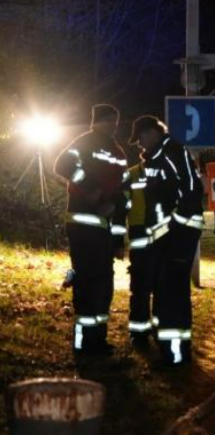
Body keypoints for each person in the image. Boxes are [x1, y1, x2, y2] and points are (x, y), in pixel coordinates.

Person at [54, 104, 128, 354]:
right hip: (83, 227)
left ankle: (98, 341)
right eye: (107, 121)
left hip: (104, 232)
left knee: (103, 285)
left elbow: (121, 199)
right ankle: (82, 344)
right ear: (95, 122)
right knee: (86, 284)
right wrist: (92, 191)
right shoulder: (84, 143)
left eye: (114, 121)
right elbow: (62, 165)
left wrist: (118, 241)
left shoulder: (118, 152)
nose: (112, 126)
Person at [129, 115, 204, 366]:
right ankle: (168, 350)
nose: (140, 145)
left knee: (172, 294)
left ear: (152, 132)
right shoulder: (157, 156)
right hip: (166, 237)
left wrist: (172, 226)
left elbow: (192, 192)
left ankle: (175, 356)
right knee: (163, 291)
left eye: (140, 138)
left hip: (179, 236)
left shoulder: (173, 152)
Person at [124, 150, 156, 348]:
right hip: (141, 233)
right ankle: (139, 332)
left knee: (152, 286)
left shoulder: (166, 173)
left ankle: (144, 332)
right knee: (141, 287)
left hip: (159, 234)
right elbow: (122, 206)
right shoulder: (131, 174)